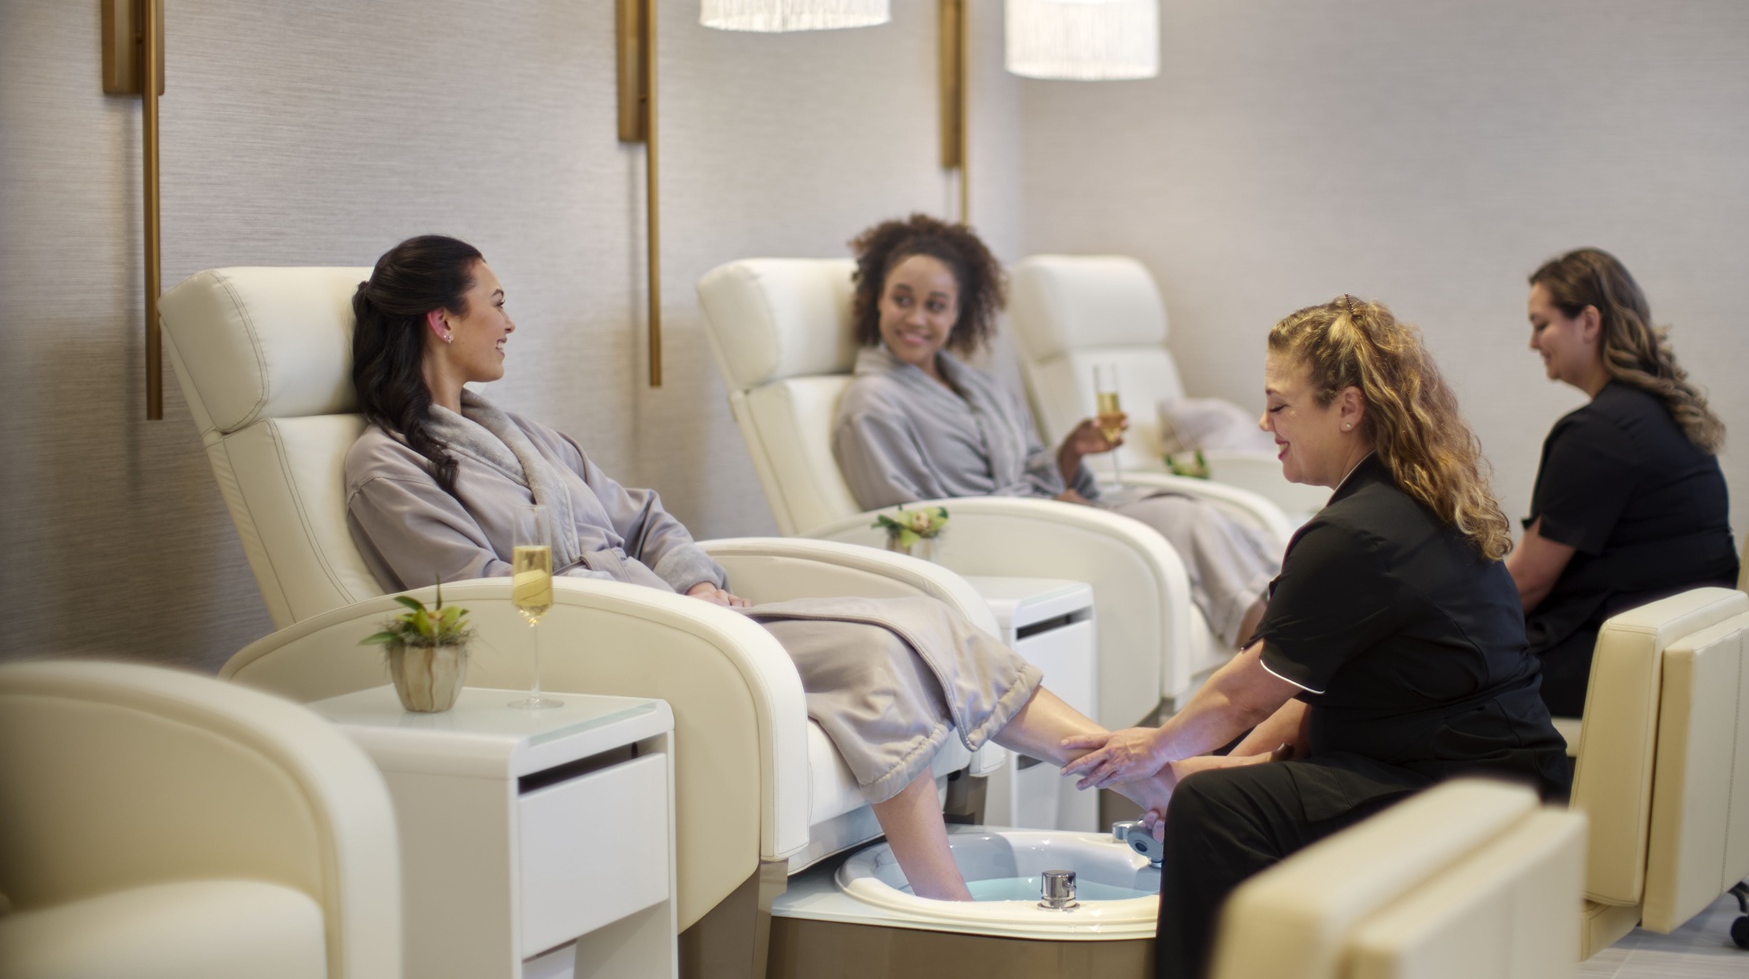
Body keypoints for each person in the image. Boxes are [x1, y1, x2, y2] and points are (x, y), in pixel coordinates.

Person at [343, 235, 1174, 900]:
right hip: (601, 643)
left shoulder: (523, 433)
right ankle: (949, 905)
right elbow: (486, 593)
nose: (510, 322)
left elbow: (643, 516)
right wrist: (656, 605)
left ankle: (1137, 774)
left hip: (677, 612)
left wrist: (698, 583)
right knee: (879, 654)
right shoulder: (388, 469)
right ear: (441, 323)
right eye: (496, 303)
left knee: (929, 618)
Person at [1060, 296, 1570, 979]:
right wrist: (1184, 769)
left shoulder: (1354, 534)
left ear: (1348, 408)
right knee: (1214, 791)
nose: (1265, 424)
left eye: (1279, 406)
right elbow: (1308, 688)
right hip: (1494, 777)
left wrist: (1151, 748)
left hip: (1462, 794)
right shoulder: (1408, 498)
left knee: (1215, 810)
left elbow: (1247, 695)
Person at [831, 215, 1283, 647]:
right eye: (902, 299)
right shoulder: (872, 404)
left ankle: (1302, 660)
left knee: (1211, 515)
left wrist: (1069, 454)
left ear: (957, 314)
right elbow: (908, 521)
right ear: (877, 299)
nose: (915, 318)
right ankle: (1272, 688)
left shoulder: (981, 387)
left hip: (1040, 518)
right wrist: (1046, 514)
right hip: (999, 545)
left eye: (935, 305)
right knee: (1187, 522)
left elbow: (1028, 467)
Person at [1506, 248, 1741, 717]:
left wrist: (1446, 621)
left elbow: (1530, 581)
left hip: (1616, 659)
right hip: (1687, 643)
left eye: (1541, 324)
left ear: (1588, 322)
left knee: (1439, 675)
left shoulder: (1597, 433)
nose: (1533, 343)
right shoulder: (1664, 411)